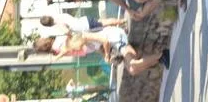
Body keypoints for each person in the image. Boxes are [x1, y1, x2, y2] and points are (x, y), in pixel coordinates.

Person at [39, 25, 171, 73]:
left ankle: (161, 55)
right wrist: (106, 56)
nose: (79, 50)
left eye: (77, 48)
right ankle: (158, 59)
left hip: (116, 37)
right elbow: (99, 49)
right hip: (115, 44)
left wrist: (107, 55)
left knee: (133, 65)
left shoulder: (84, 36)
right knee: (132, 69)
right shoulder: (85, 45)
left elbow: (105, 41)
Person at [40, 11, 125, 33]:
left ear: (48, 25)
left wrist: (69, 35)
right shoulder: (59, 15)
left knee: (105, 25)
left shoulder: (58, 23)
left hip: (85, 26)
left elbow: (67, 31)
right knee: (103, 22)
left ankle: (122, 22)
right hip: (83, 20)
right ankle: (121, 23)